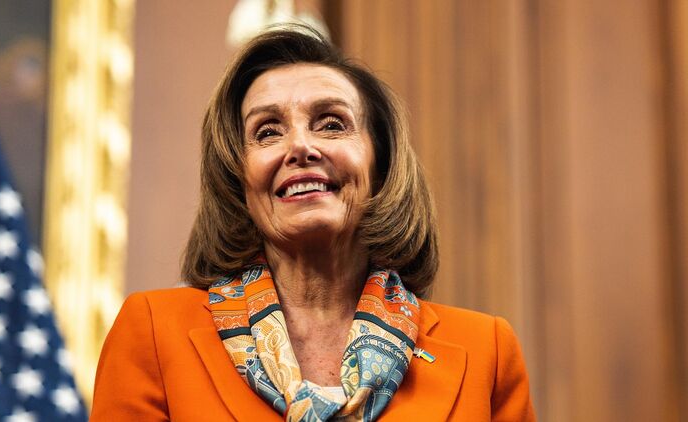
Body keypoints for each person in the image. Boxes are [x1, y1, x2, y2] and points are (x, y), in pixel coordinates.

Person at [90, 25, 535, 421]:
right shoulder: (154, 333)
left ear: (380, 165)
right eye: (267, 132)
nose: (300, 147)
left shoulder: (486, 351)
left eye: (331, 124)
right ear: (238, 180)